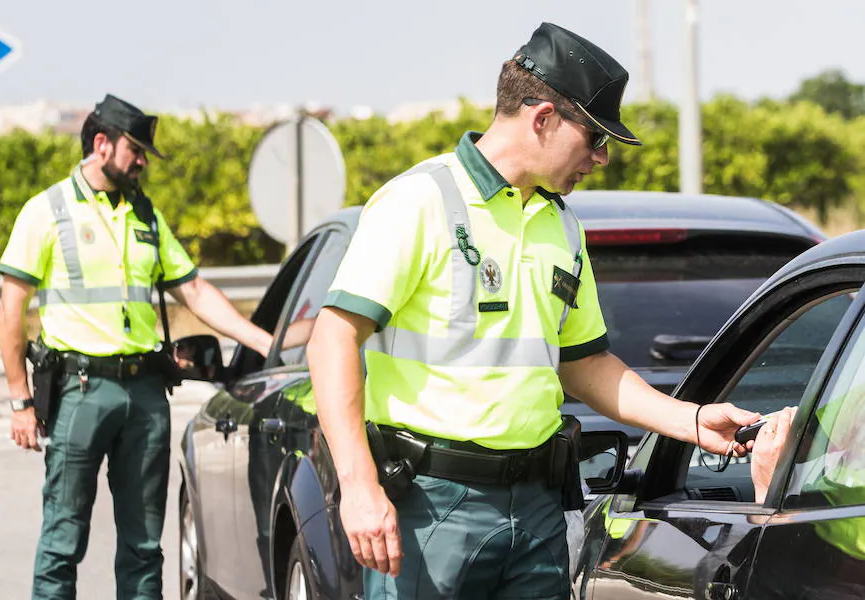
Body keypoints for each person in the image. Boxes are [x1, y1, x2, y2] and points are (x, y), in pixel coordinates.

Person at [306, 22, 761, 600]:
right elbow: (331, 341)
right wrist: (359, 486)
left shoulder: (562, 225)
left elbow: (585, 364)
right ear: (542, 117)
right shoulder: (419, 202)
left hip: (540, 507)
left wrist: (693, 421)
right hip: (433, 507)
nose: (600, 159)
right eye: (594, 138)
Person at [0, 94, 274, 600]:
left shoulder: (146, 215)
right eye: (136, 150)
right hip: (80, 392)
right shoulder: (47, 210)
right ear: (101, 145)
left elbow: (193, 290)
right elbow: (10, 311)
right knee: (63, 542)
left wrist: (262, 340)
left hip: (145, 394)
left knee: (145, 547)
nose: (143, 161)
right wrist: (20, 401)